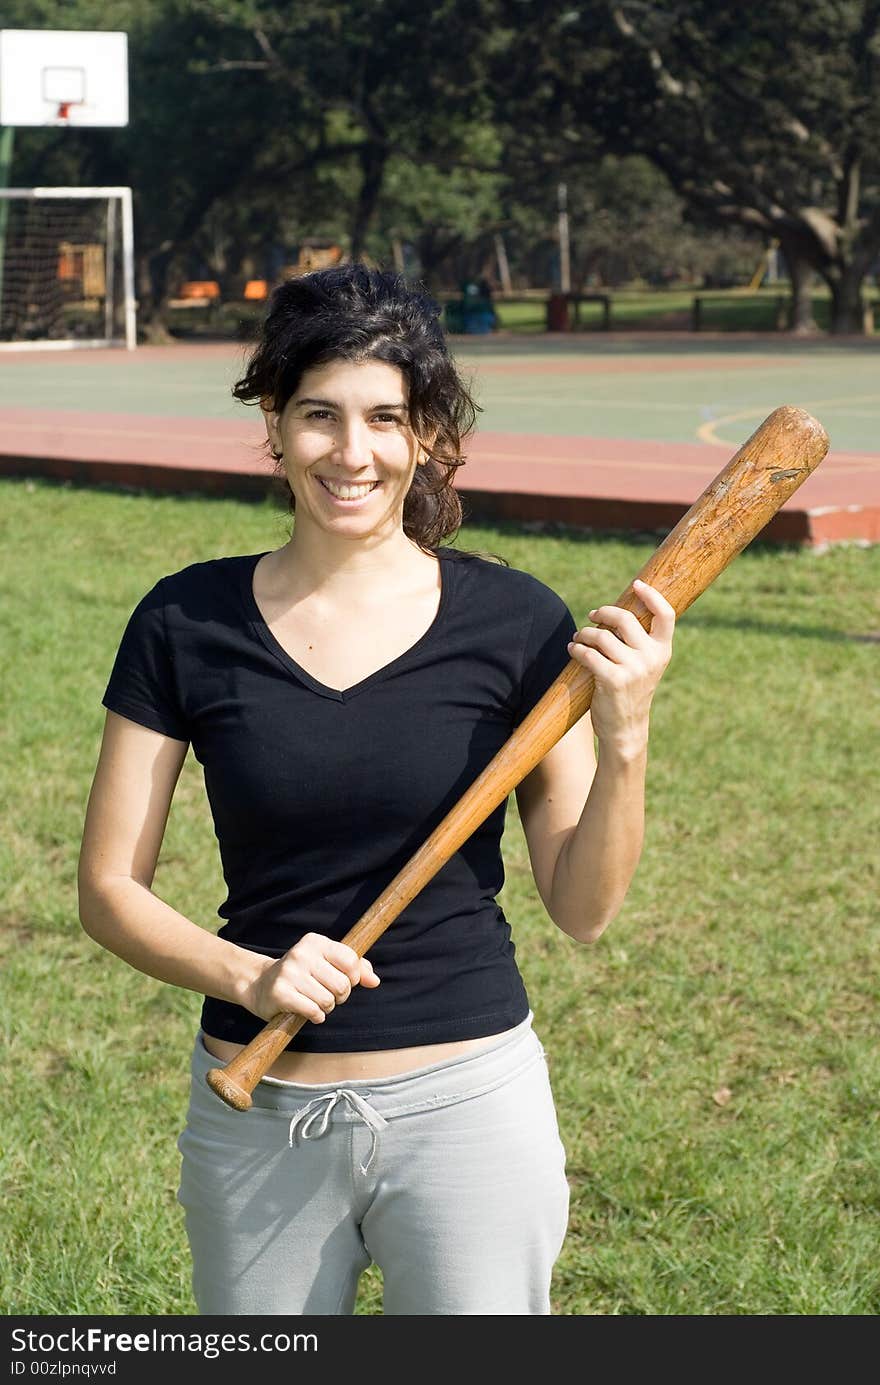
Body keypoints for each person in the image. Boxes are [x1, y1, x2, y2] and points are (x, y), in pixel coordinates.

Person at [77, 264, 675, 1317]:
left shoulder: (516, 622)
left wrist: (622, 735)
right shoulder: (185, 622)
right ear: (273, 420)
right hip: (255, 1111)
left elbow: (581, 909)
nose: (352, 453)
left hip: (467, 1110)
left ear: (428, 434)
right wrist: (251, 976)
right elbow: (108, 888)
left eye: (385, 418)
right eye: (319, 415)